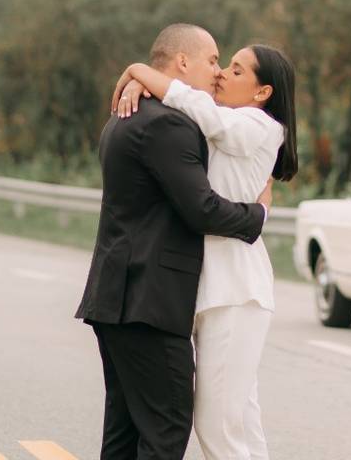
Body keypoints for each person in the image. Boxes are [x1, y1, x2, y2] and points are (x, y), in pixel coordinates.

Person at [75, 23, 273, 460]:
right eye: (213, 60)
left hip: (118, 296)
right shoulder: (168, 124)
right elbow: (201, 208)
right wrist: (256, 215)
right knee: (166, 430)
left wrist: (138, 75)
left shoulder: (129, 114)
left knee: (125, 432)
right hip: (148, 302)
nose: (218, 72)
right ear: (183, 62)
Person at [112, 41, 298, 460]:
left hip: (236, 291)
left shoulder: (258, 125)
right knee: (241, 423)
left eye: (234, 70)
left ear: (262, 92)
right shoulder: (223, 125)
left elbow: (198, 107)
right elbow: (188, 114)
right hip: (213, 288)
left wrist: (138, 68)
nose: (220, 75)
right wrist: (143, 86)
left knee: (217, 426)